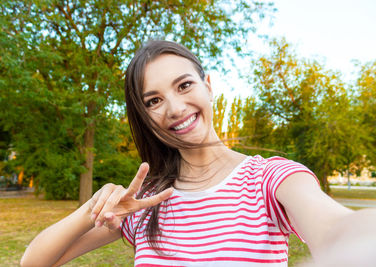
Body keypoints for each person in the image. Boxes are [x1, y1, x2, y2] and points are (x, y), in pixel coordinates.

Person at [20, 40, 376, 267]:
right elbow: (33, 262)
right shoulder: (143, 202)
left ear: (208, 88)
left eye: (184, 85)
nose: (174, 108)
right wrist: (92, 209)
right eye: (153, 101)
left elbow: (334, 228)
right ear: (144, 116)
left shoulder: (270, 179)